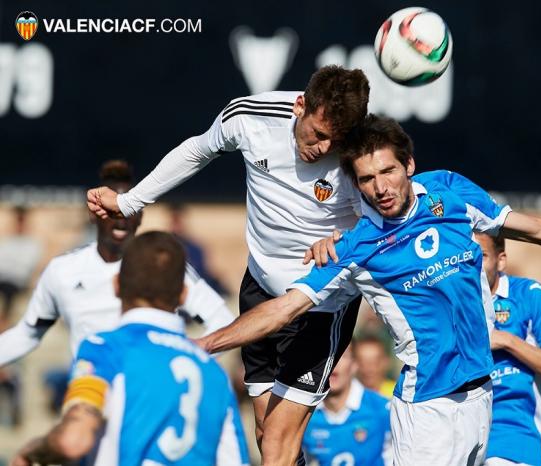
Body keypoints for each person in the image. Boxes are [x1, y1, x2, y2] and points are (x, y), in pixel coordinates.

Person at [193, 115, 541, 465]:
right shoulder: (355, 247)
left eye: (388, 172)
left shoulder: (451, 192)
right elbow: (282, 310)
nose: (380, 188)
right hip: (428, 409)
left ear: (409, 166)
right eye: (367, 180)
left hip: (481, 398)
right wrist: (205, 344)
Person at [87, 66, 370, 466]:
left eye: (334, 140)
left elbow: (381, 223)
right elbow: (197, 150)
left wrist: (341, 240)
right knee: (264, 433)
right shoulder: (249, 118)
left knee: (275, 446)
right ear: (300, 105)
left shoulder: (359, 155)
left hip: (319, 305)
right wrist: (130, 201)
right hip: (257, 287)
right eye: (318, 134)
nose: (323, 148)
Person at [10, 231, 249, 466]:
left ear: (116, 285)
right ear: (184, 294)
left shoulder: (105, 349)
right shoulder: (213, 373)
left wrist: (35, 451)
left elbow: (74, 440)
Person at [0, 160, 236, 365]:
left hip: (146, 402)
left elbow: (222, 320)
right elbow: (28, 334)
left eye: (129, 209)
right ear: (93, 213)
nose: (121, 221)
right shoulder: (63, 270)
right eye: (112, 211)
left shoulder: (163, 262)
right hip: (89, 400)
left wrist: (181, 361)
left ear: (141, 215)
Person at [475, 233, 541, 466]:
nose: (473, 264)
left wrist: (507, 341)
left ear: (501, 260)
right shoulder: (450, 304)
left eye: (481, 256)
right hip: (459, 435)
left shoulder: (529, 295)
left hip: (514, 439)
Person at [303, 344, 391, 466]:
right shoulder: (304, 415)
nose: (332, 364)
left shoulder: (383, 409)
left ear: (354, 365)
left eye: (340, 356)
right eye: (325, 356)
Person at [0, 206, 42, 326]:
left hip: (17, 282)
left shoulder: (33, 243)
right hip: (4, 278)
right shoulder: (7, 240)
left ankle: (4, 320)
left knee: (9, 289)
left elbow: (26, 267)